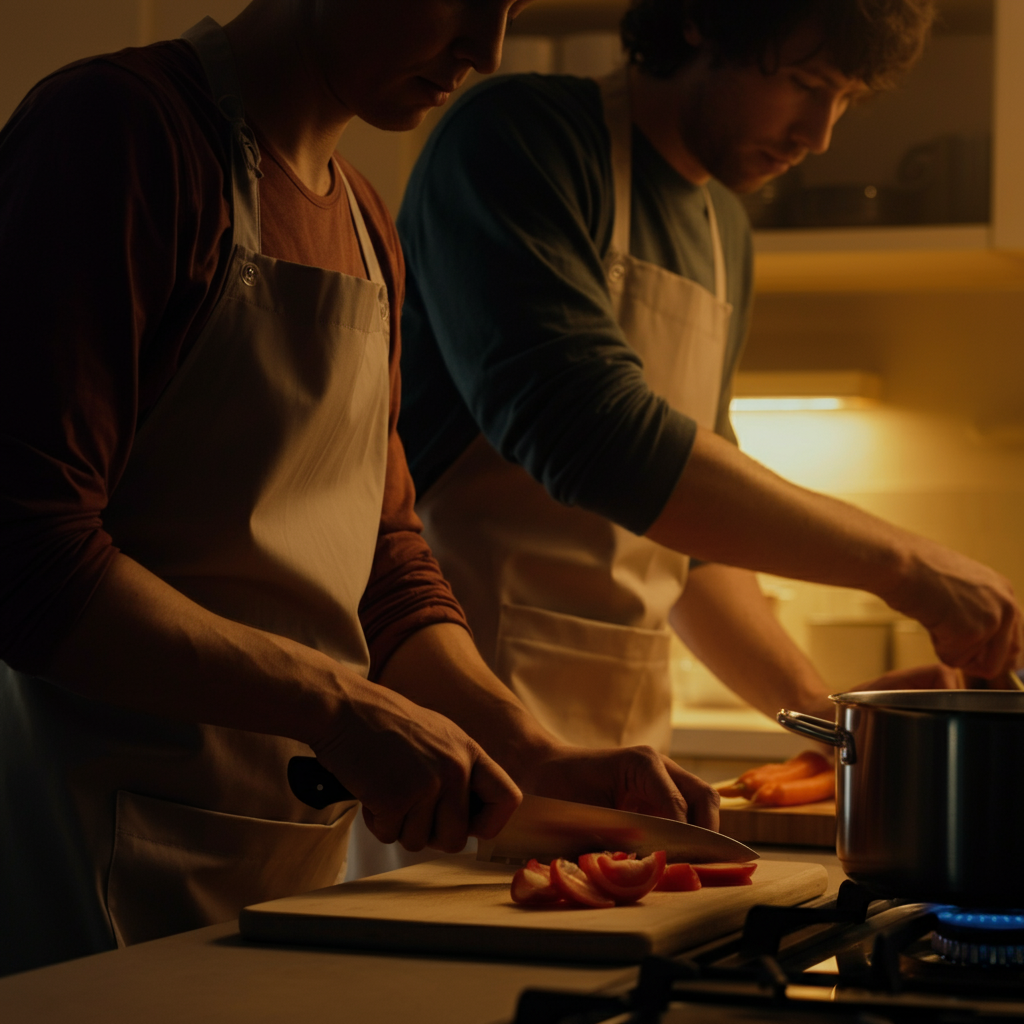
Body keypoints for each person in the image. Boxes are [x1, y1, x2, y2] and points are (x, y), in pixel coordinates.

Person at [0, 0, 723, 979]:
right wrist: (337, 707)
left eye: (508, 7)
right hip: (78, 861)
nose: (486, 48)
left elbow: (383, 561)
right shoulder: (120, 134)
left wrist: (530, 751)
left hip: (283, 871)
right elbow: (26, 550)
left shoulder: (364, 220)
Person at [397, 0, 1023, 753]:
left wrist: (824, 715)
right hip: (453, 728)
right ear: (704, 20)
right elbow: (583, 430)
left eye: (846, 97)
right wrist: (906, 565)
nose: (819, 135)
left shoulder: (725, 232)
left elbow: (693, 550)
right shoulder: (521, 137)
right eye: (803, 81)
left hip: (628, 742)